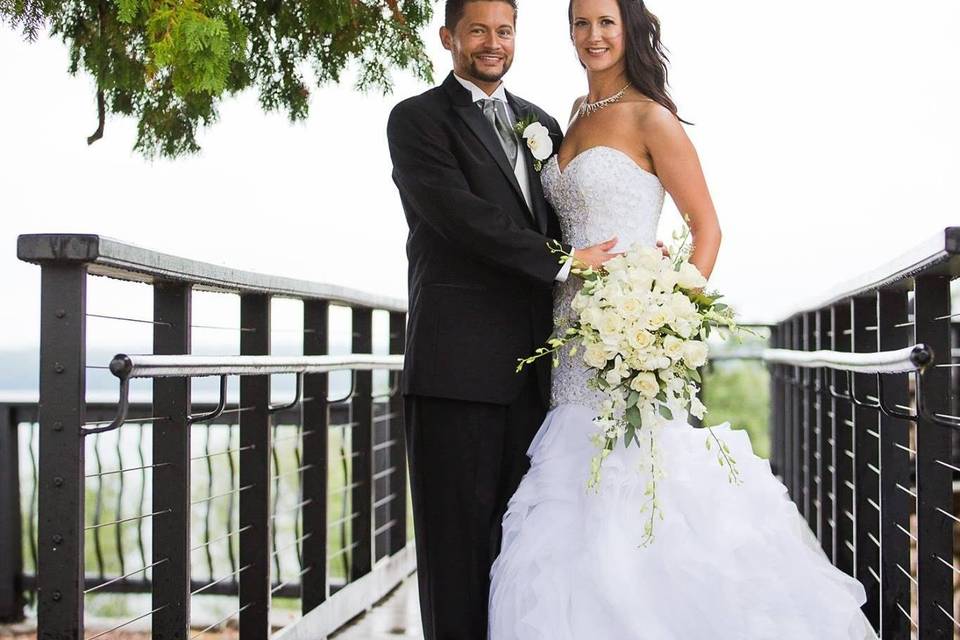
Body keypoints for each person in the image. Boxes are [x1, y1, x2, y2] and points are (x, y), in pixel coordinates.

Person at [487, 1, 879, 638]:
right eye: (579, 24)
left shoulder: (651, 117)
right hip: (567, 343)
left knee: (641, 494)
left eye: (605, 22)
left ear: (629, 28)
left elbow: (707, 228)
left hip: (630, 339)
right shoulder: (570, 119)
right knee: (571, 499)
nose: (592, 36)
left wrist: (668, 319)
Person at [385, 1, 621, 638]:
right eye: (478, 31)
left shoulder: (539, 122)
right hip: (455, 375)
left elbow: (575, 212)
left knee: (523, 555)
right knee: (455, 558)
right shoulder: (416, 121)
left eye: (504, 30)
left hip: (539, 377)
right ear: (448, 38)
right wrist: (566, 261)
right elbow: (462, 220)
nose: (493, 43)